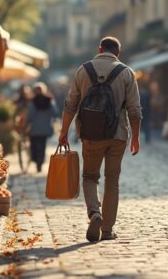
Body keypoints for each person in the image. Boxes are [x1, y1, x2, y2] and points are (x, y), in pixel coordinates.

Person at [58, 36, 141, 243]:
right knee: (112, 181)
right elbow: (135, 110)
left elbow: (70, 104)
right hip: (118, 135)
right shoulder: (126, 72)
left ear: (100, 49)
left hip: (90, 134)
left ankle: (94, 213)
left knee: (89, 177)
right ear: (118, 53)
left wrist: (63, 132)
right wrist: (136, 137)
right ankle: (107, 230)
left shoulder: (83, 70)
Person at [26, 82, 59, 173]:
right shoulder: (49, 100)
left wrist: (27, 124)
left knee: (34, 146)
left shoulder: (32, 101)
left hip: (34, 129)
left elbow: (30, 115)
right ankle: (39, 163)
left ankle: (37, 161)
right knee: (42, 146)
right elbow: (55, 114)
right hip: (45, 128)